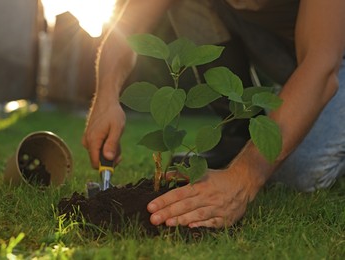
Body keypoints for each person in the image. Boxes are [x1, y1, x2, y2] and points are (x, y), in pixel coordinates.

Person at [82, 0, 345, 228]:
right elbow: (127, 23)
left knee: (297, 172)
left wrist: (244, 177)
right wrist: (106, 96)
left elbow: (321, 62)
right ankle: (238, 135)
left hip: (331, 53)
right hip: (285, 49)